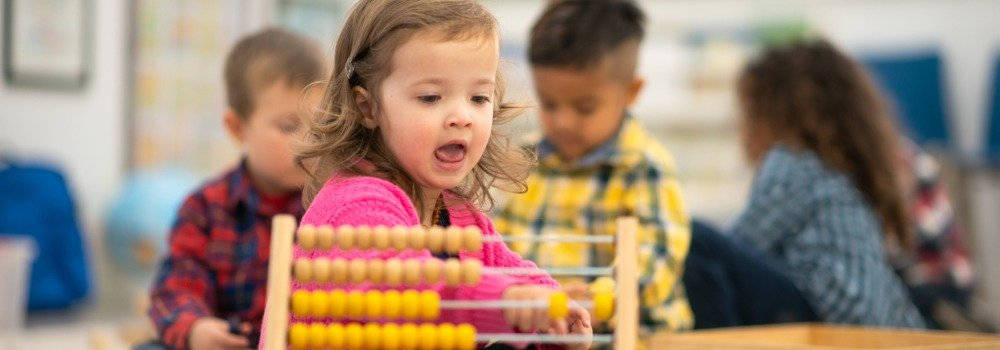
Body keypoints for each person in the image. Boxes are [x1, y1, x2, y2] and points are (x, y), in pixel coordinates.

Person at [281, 1, 592, 348]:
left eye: (478, 97)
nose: (462, 116)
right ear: (367, 107)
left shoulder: (461, 218)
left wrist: (552, 308)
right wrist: (511, 299)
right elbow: (406, 286)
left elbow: (509, 270)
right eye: (430, 98)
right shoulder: (354, 204)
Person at [492, 0, 693, 335]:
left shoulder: (644, 167)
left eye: (584, 108)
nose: (563, 121)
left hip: (626, 335)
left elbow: (655, 262)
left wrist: (604, 302)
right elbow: (498, 243)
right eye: (549, 104)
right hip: (543, 333)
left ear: (631, 92)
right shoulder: (524, 160)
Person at [147, 28, 326, 349]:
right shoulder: (204, 208)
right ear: (237, 127)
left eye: (322, 124)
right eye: (290, 126)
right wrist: (196, 329)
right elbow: (176, 287)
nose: (310, 143)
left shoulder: (334, 203)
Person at [730, 38, 925, 328]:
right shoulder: (846, 173)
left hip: (839, 325)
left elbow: (743, 245)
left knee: (703, 244)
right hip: (889, 325)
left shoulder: (791, 163)